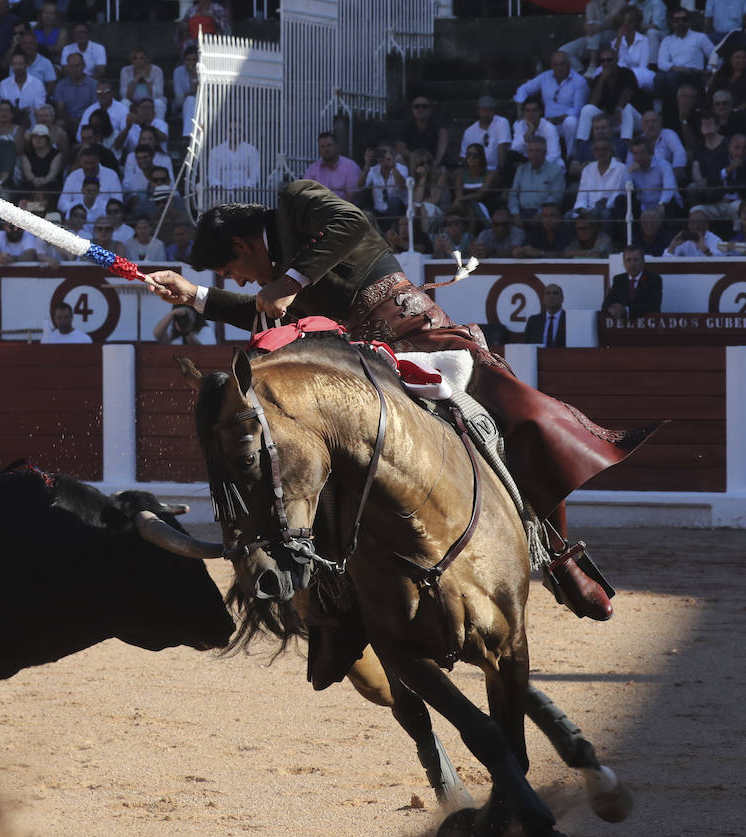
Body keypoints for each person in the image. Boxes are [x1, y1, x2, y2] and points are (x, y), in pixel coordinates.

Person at [143, 184, 660, 623]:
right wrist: (193, 296)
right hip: (361, 370)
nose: (238, 282)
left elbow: (348, 223)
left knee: (517, 411)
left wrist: (286, 283)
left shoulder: (297, 204)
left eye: (230, 272)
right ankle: (334, 608)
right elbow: (261, 311)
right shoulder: (280, 279)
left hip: (421, 336)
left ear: (241, 245)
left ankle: (557, 556)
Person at [602, 245, 662, 318]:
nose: (632, 264)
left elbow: (654, 307)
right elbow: (606, 304)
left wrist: (626, 310)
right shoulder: (619, 279)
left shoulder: (654, 279)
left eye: (636, 260)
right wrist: (612, 309)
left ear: (643, 261)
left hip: (646, 326)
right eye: (628, 260)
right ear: (624, 263)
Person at [303, 131, 361, 203]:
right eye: (322, 147)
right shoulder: (312, 169)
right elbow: (305, 194)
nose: (326, 149)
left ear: (337, 147)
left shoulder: (351, 167)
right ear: (319, 150)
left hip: (344, 210)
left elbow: (351, 198)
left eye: (329, 145)